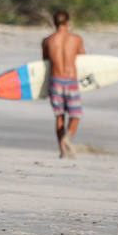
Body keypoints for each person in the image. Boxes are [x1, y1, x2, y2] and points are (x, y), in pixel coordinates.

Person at [41, 9, 85, 158]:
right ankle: (68, 138)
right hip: (71, 79)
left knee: (59, 116)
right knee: (76, 114)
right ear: (68, 22)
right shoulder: (76, 39)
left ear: (54, 23)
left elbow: (45, 63)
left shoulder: (47, 41)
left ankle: (62, 150)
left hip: (55, 79)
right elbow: (83, 59)